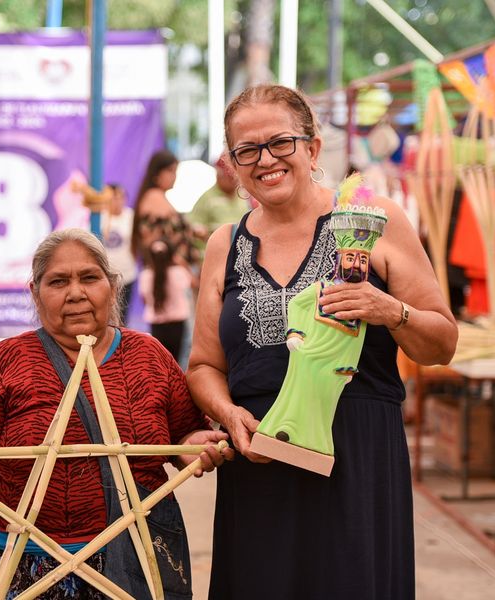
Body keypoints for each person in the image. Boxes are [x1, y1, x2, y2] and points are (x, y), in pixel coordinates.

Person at [186, 85, 457, 600]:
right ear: (233, 165)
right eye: (247, 150)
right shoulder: (226, 243)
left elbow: (441, 343)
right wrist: (227, 413)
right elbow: (203, 365)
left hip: (357, 465)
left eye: (280, 143)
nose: (265, 159)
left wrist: (389, 311)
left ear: (312, 150)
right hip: (260, 461)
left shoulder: (375, 221)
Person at [0, 228, 231, 600]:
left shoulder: (149, 356)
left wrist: (199, 446)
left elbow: (184, 437)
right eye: (58, 281)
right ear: (35, 293)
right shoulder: (5, 361)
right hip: (22, 555)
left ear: (112, 286)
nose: (76, 293)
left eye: (89, 278)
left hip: (135, 550)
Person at [137, 239, 193, 362]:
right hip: (177, 323)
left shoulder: (145, 275)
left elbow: (144, 300)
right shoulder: (179, 272)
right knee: (175, 361)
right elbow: (193, 283)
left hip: (157, 324)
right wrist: (182, 263)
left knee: (161, 361)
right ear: (171, 254)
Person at [187, 153, 250, 249]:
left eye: (234, 176)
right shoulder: (207, 198)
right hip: (213, 254)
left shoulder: (244, 195)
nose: (233, 180)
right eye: (229, 177)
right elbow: (192, 225)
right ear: (218, 175)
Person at [101, 183, 137, 325]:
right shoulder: (99, 217)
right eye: (113, 197)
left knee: (122, 318)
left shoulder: (131, 217)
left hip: (127, 275)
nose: (117, 201)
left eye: (121, 197)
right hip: (105, 276)